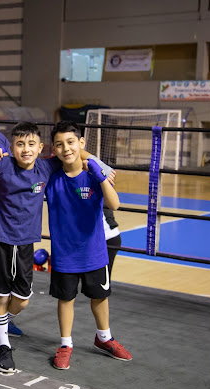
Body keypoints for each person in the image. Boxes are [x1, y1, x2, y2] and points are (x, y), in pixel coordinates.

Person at [0, 122, 115, 373]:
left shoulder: (46, 166)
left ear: (41, 148)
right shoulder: (2, 163)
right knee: (0, 297)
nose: (26, 149)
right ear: (11, 147)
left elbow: (72, 151)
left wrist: (99, 164)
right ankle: (3, 345)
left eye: (31, 144)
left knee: (22, 301)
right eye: (20, 144)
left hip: (26, 243)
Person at [44, 121, 132, 370]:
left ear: (81, 143)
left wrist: (99, 172)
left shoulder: (93, 174)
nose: (66, 148)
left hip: (94, 250)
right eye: (59, 144)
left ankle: (104, 338)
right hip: (64, 253)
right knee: (66, 299)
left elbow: (114, 204)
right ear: (53, 149)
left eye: (71, 142)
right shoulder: (51, 177)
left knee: (100, 297)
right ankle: (65, 344)